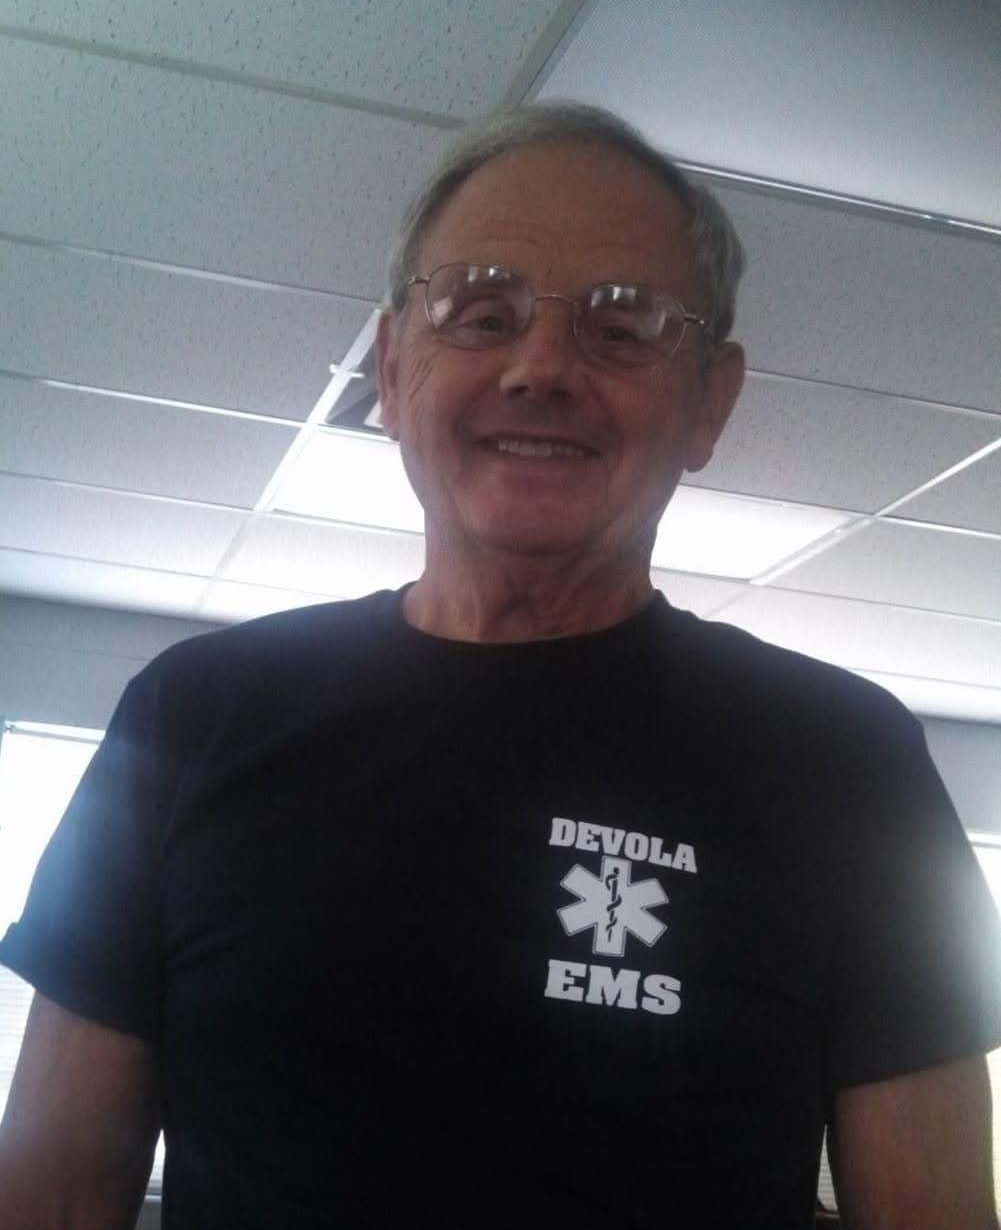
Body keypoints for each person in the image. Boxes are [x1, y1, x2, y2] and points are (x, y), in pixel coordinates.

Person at [0, 102, 998, 1230]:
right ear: (389, 364)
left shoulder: (846, 763)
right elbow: (53, 1190)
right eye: (480, 311)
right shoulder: (190, 715)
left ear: (708, 399)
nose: (540, 365)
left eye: (622, 326)